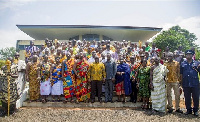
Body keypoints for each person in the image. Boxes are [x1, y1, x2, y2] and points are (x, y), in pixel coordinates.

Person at [180, 50, 200, 116]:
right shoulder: (183, 63)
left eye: (190, 54)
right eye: (187, 54)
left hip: (195, 83)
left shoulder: (197, 63)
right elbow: (181, 74)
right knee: (187, 97)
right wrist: (181, 83)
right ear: (185, 55)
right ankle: (188, 110)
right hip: (186, 83)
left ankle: (195, 110)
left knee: (196, 97)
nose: (188, 55)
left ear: (192, 55)